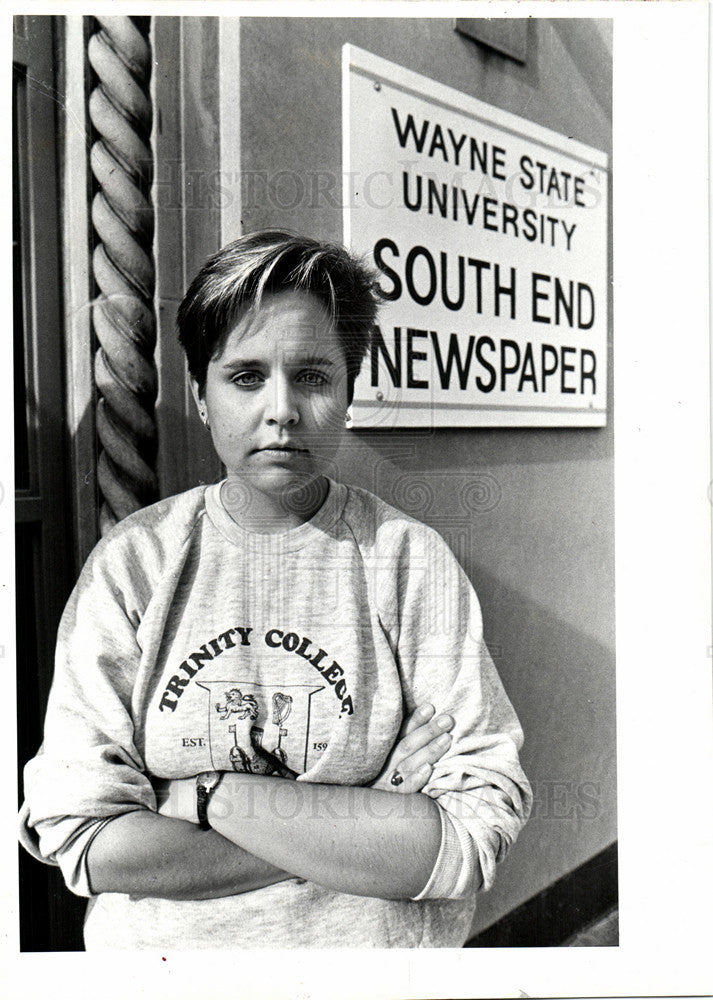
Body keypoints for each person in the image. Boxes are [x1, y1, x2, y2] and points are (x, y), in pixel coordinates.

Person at [19, 231, 532, 949]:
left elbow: (467, 841)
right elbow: (83, 838)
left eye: (314, 377)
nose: (283, 410)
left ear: (349, 392)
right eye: (247, 376)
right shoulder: (134, 564)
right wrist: (360, 812)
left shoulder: (406, 561)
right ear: (200, 394)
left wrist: (202, 797)